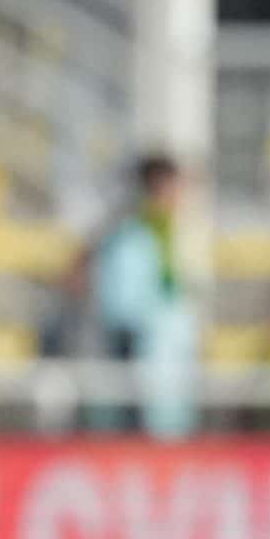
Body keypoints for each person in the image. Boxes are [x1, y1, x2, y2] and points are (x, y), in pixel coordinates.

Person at [94, 153, 198, 439]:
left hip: (163, 363)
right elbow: (123, 309)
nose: (179, 197)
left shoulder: (170, 232)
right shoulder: (132, 236)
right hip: (143, 360)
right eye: (173, 188)